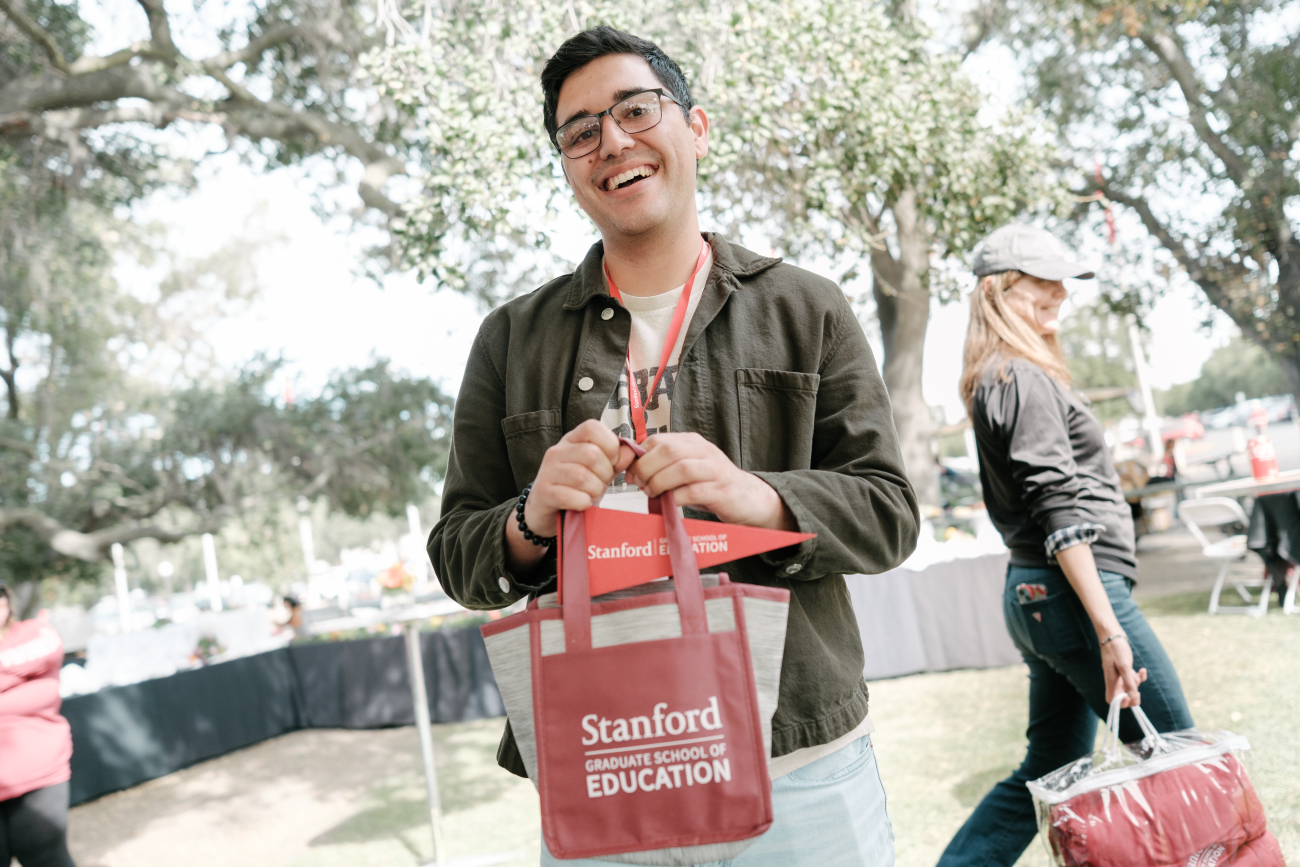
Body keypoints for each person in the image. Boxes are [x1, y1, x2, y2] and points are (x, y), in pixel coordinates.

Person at [429, 26, 919, 866]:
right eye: (580, 130)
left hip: (798, 772)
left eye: (636, 109)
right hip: (605, 770)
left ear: (694, 127)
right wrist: (530, 517)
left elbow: (890, 513)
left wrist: (757, 495)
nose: (612, 141)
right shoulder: (509, 340)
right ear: (567, 164)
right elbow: (458, 554)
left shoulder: (808, 308)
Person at [938, 224, 1194, 866]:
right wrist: (1110, 631)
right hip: (1073, 595)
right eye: (1043, 281)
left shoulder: (999, 376)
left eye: (1064, 281)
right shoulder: (1020, 378)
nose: (1060, 294)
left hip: (1037, 595)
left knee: (1052, 762)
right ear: (998, 290)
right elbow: (1058, 508)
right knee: (1178, 753)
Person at [0, 581, 77, 867]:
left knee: (47, 858)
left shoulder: (36, 632)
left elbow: (46, 685)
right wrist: (17, 681)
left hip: (38, 773)